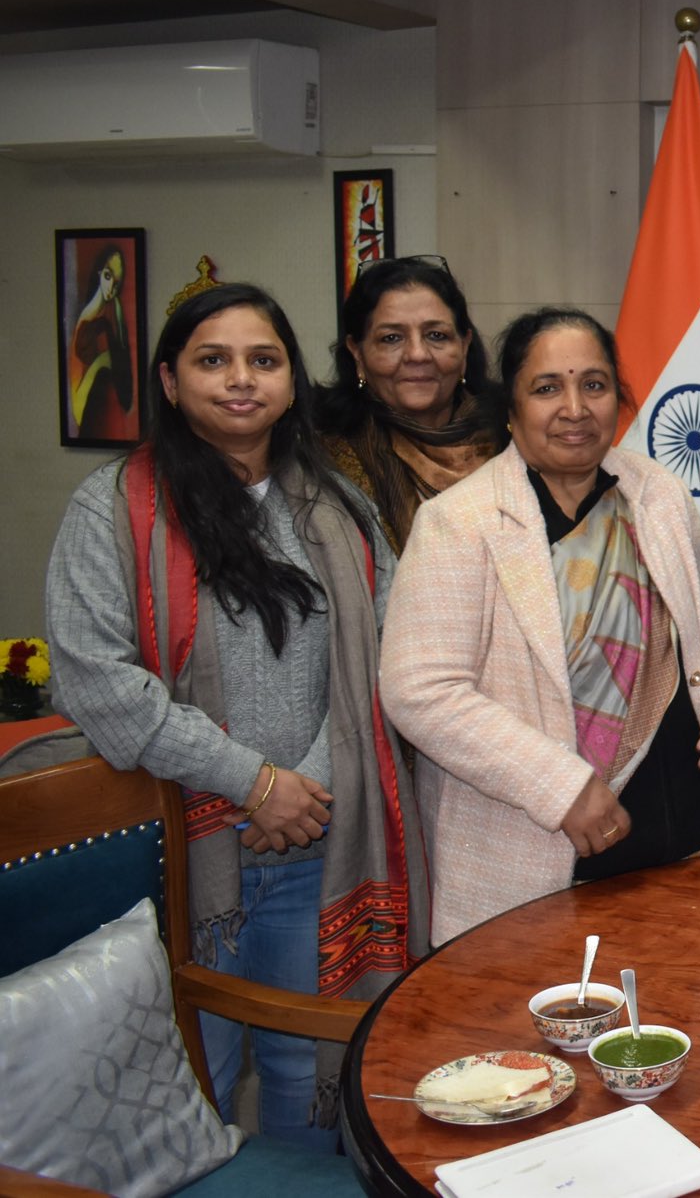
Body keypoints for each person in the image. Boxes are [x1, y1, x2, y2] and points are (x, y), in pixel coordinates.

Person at [45, 282, 425, 1149]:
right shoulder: (112, 509)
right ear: (171, 382)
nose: (241, 380)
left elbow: (391, 656)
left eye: (264, 359)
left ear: (293, 380)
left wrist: (308, 791)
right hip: (181, 847)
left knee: (303, 1068)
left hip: (315, 846)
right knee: (188, 1072)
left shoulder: (339, 506)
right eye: (213, 361)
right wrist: (253, 784)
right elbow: (99, 683)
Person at [380, 307, 700, 943]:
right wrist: (562, 788)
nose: (575, 408)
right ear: (510, 407)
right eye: (547, 387)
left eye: (595, 384)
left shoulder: (657, 493)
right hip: (539, 868)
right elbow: (420, 691)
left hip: (689, 854)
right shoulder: (460, 522)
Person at [316, 255, 499, 552]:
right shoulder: (323, 459)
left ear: (464, 346)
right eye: (391, 338)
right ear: (357, 352)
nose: (417, 354)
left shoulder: (515, 440)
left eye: (436, 335)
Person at [67, 242, 136, 441]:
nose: (111, 287)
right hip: (91, 410)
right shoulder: (91, 324)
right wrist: (100, 363)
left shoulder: (113, 318)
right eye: (108, 276)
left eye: (117, 282)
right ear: (99, 273)